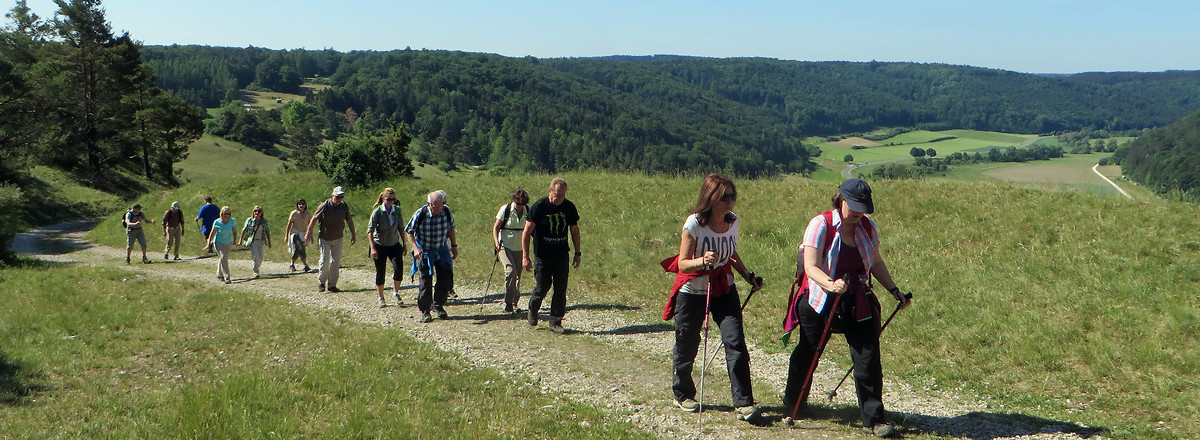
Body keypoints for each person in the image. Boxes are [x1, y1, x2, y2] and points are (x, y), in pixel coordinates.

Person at [782, 178, 911, 438]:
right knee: (809, 351)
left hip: (857, 299)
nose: (857, 213)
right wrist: (831, 284)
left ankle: (874, 420)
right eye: (853, 206)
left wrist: (895, 291)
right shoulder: (820, 225)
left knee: (868, 356)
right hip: (820, 298)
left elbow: (874, 262)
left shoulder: (867, 228)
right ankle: (793, 403)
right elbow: (811, 267)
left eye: (862, 208)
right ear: (840, 200)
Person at [661, 173, 763, 421]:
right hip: (693, 291)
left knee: (735, 342)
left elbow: (731, 251)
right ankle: (682, 393)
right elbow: (683, 264)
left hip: (723, 288)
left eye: (733, 196)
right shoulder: (694, 224)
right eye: (724, 196)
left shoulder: (733, 221)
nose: (730, 201)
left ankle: (743, 403)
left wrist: (747, 274)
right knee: (687, 343)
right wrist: (701, 261)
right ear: (710, 198)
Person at [521, 177, 580, 334]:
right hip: (542, 255)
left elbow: (574, 230)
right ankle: (533, 308)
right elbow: (526, 232)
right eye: (556, 194)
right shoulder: (539, 207)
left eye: (562, 194)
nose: (559, 197)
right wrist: (525, 257)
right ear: (549, 191)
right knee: (542, 286)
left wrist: (578, 252)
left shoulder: (569, 207)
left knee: (561, 288)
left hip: (561, 254)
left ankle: (555, 321)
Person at [405, 190, 457, 323]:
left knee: (445, 278)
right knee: (425, 281)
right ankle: (425, 310)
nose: (438, 209)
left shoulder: (446, 211)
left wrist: (454, 246)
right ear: (429, 204)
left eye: (441, 205)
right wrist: (415, 249)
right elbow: (409, 231)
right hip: (425, 251)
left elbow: (451, 228)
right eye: (435, 206)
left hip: (441, 249)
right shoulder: (420, 214)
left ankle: (438, 304)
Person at [306, 186, 357, 293]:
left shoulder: (344, 206)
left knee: (335, 262)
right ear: (333, 195)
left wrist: (353, 233)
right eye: (338, 197)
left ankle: (332, 284)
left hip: (338, 237)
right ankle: (321, 282)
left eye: (341, 197)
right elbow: (314, 219)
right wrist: (308, 232)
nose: (339, 199)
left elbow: (349, 220)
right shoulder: (325, 206)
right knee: (324, 261)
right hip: (325, 238)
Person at [492, 188, 529, 313]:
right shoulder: (506, 209)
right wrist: (497, 243)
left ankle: (514, 302)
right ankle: (508, 302)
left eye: (522, 204)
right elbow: (496, 228)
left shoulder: (528, 211)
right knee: (510, 271)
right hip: (505, 246)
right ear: (514, 200)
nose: (519, 206)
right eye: (518, 203)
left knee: (518, 275)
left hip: (520, 247)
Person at [368, 188, 406, 308]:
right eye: (389, 199)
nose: (391, 201)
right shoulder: (377, 212)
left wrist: (404, 243)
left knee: (398, 269)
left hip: (394, 244)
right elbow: (370, 231)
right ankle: (381, 297)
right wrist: (373, 247)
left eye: (393, 199)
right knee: (381, 271)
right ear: (383, 198)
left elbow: (401, 228)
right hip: (380, 245)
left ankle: (396, 293)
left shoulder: (397, 211)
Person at [206, 206, 236, 284]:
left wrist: (235, 241)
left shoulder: (232, 221)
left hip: (228, 242)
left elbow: (234, 232)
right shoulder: (217, 222)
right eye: (225, 213)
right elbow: (212, 234)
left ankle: (219, 274)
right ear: (221, 214)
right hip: (218, 242)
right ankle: (227, 277)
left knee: (223, 258)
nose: (227, 215)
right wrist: (208, 243)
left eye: (228, 214)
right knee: (223, 257)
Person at [240, 205, 272, 278]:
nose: (257, 212)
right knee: (255, 256)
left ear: (261, 213)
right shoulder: (249, 220)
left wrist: (269, 242)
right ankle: (256, 272)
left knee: (260, 257)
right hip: (253, 241)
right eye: (255, 211)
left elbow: (267, 231)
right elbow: (244, 230)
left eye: (259, 211)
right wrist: (240, 240)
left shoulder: (264, 221)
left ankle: (256, 267)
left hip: (261, 241)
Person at [285, 199, 312, 273]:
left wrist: (310, 234)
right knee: (300, 247)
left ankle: (292, 264)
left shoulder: (307, 214)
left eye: (303, 204)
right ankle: (305, 264)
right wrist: (286, 235)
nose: (301, 206)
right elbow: (289, 224)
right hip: (295, 233)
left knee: (298, 249)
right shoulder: (294, 213)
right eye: (300, 204)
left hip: (303, 233)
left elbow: (310, 225)